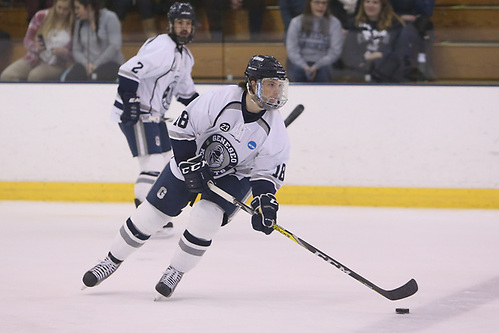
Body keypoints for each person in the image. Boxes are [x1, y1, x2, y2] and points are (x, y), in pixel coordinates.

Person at [81, 54, 290, 299]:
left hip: (234, 175)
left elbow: (265, 175)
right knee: (150, 216)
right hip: (193, 158)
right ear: (252, 83)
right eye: (270, 84)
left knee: (206, 218)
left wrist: (264, 203)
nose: (276, 92)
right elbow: (182, 132)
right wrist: (190, 166)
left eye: (279, 85)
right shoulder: (219, 99)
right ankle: (110, 260)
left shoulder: (276, 130)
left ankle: (175, 271)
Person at [110, 2, 199, 237]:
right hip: (138, 114)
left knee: (167, 165)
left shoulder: (184, 56)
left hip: (156, 117)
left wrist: (207, 116)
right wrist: (130, 102)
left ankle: (153, 215)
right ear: (171, 24)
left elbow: (187, 94)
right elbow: (128, 70)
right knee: (152, 166)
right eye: (180, 23)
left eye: (188, 24)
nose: (184, 28)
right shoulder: (162, 47)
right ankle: (144, 218)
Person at [0, 0, 73, 82]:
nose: (61, 11)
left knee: (35, 76)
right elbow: (27, 40)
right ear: (54, 5)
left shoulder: (74, 23)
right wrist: (36, 46)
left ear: (71, 9)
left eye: (65, 9)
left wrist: (64, 53)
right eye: (59, 7)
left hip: (55, 64)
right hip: (33, 58)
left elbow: (75, 53)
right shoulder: (41, 16)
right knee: (6, 76)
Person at [340, 0, 408, 83]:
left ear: (383, 5)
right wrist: (363, 60)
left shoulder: (395, 25)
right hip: (358, 75)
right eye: (367, 2)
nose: (370, 5)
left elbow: (399, 52)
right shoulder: (354, 25)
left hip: (387, 76)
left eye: (375, 2)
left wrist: (381, 55)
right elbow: (348, 52)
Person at [62, 0, 124, 82]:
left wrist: (96, 64)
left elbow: (114, 46)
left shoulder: (110, 18)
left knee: (95, 78)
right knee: (70, 78)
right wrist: (86, 64)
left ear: (89, 7)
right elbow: (76, 50)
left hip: (110, 63)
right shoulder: (79, 22)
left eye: (78, 8)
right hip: (87, 65)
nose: (75, 11)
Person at [285, 0, 343, 82]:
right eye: (317, 2)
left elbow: (335, 51)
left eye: (324, 3)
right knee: (296, 70)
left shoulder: (334, 23)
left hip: (323, 65)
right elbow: (292, 50)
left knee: (324, 71)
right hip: (299, 64)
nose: (320, 6)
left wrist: (316, 66)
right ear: (309, 4)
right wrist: (304, 66)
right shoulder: (296, 22)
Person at [389, 0, 436, 81]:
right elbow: (386, 7)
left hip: (419, 21)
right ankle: (406, 67)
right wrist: (400, 16)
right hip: (393, 19)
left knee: (422, 30)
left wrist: (414, 16)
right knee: (405, 32)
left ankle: (422, 63)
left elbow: (427, 10)